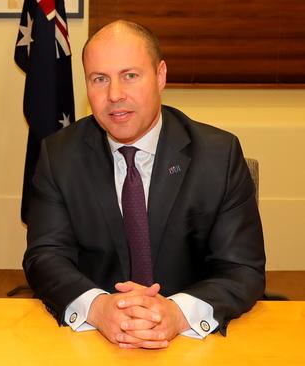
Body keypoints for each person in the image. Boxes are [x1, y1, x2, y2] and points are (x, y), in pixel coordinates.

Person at [23, 20, 265, 349]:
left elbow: (243, 269)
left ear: (161, 75)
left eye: (130, 76)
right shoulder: (58, 155)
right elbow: (45, 257)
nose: (114, 95)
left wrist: (178, 312)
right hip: (96, 341)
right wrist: (97, 307)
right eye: (99, 79)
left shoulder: (218, 155)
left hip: (192, 342)